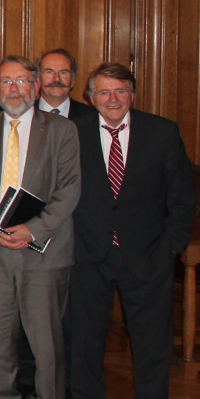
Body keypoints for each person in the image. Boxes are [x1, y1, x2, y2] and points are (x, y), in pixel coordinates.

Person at [68, 63, 196, 399]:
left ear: (133, 95)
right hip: (87, 255)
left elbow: (182, 196)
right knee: (84, 341)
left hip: (148, 254)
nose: (113, 98)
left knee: (153, 343)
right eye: (105, 91)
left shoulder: (162, 132)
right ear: (90, 96)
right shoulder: (70, 133)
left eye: (121, 90)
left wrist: (171, 247)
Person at [0, 55, 81, 399]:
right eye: (7, 82)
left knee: (47, 348)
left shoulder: (61, 130)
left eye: (22, 81)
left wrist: (34, 229)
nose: (15, 89)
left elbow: (70, 188)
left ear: (36, 86)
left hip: (44, 253)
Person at [37, 49, 96, 123]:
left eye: (63, 73)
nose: (57, 79)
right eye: (49, 72)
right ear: (38, 79)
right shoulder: (23, 114)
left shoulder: (92, 116)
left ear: (73, 80)